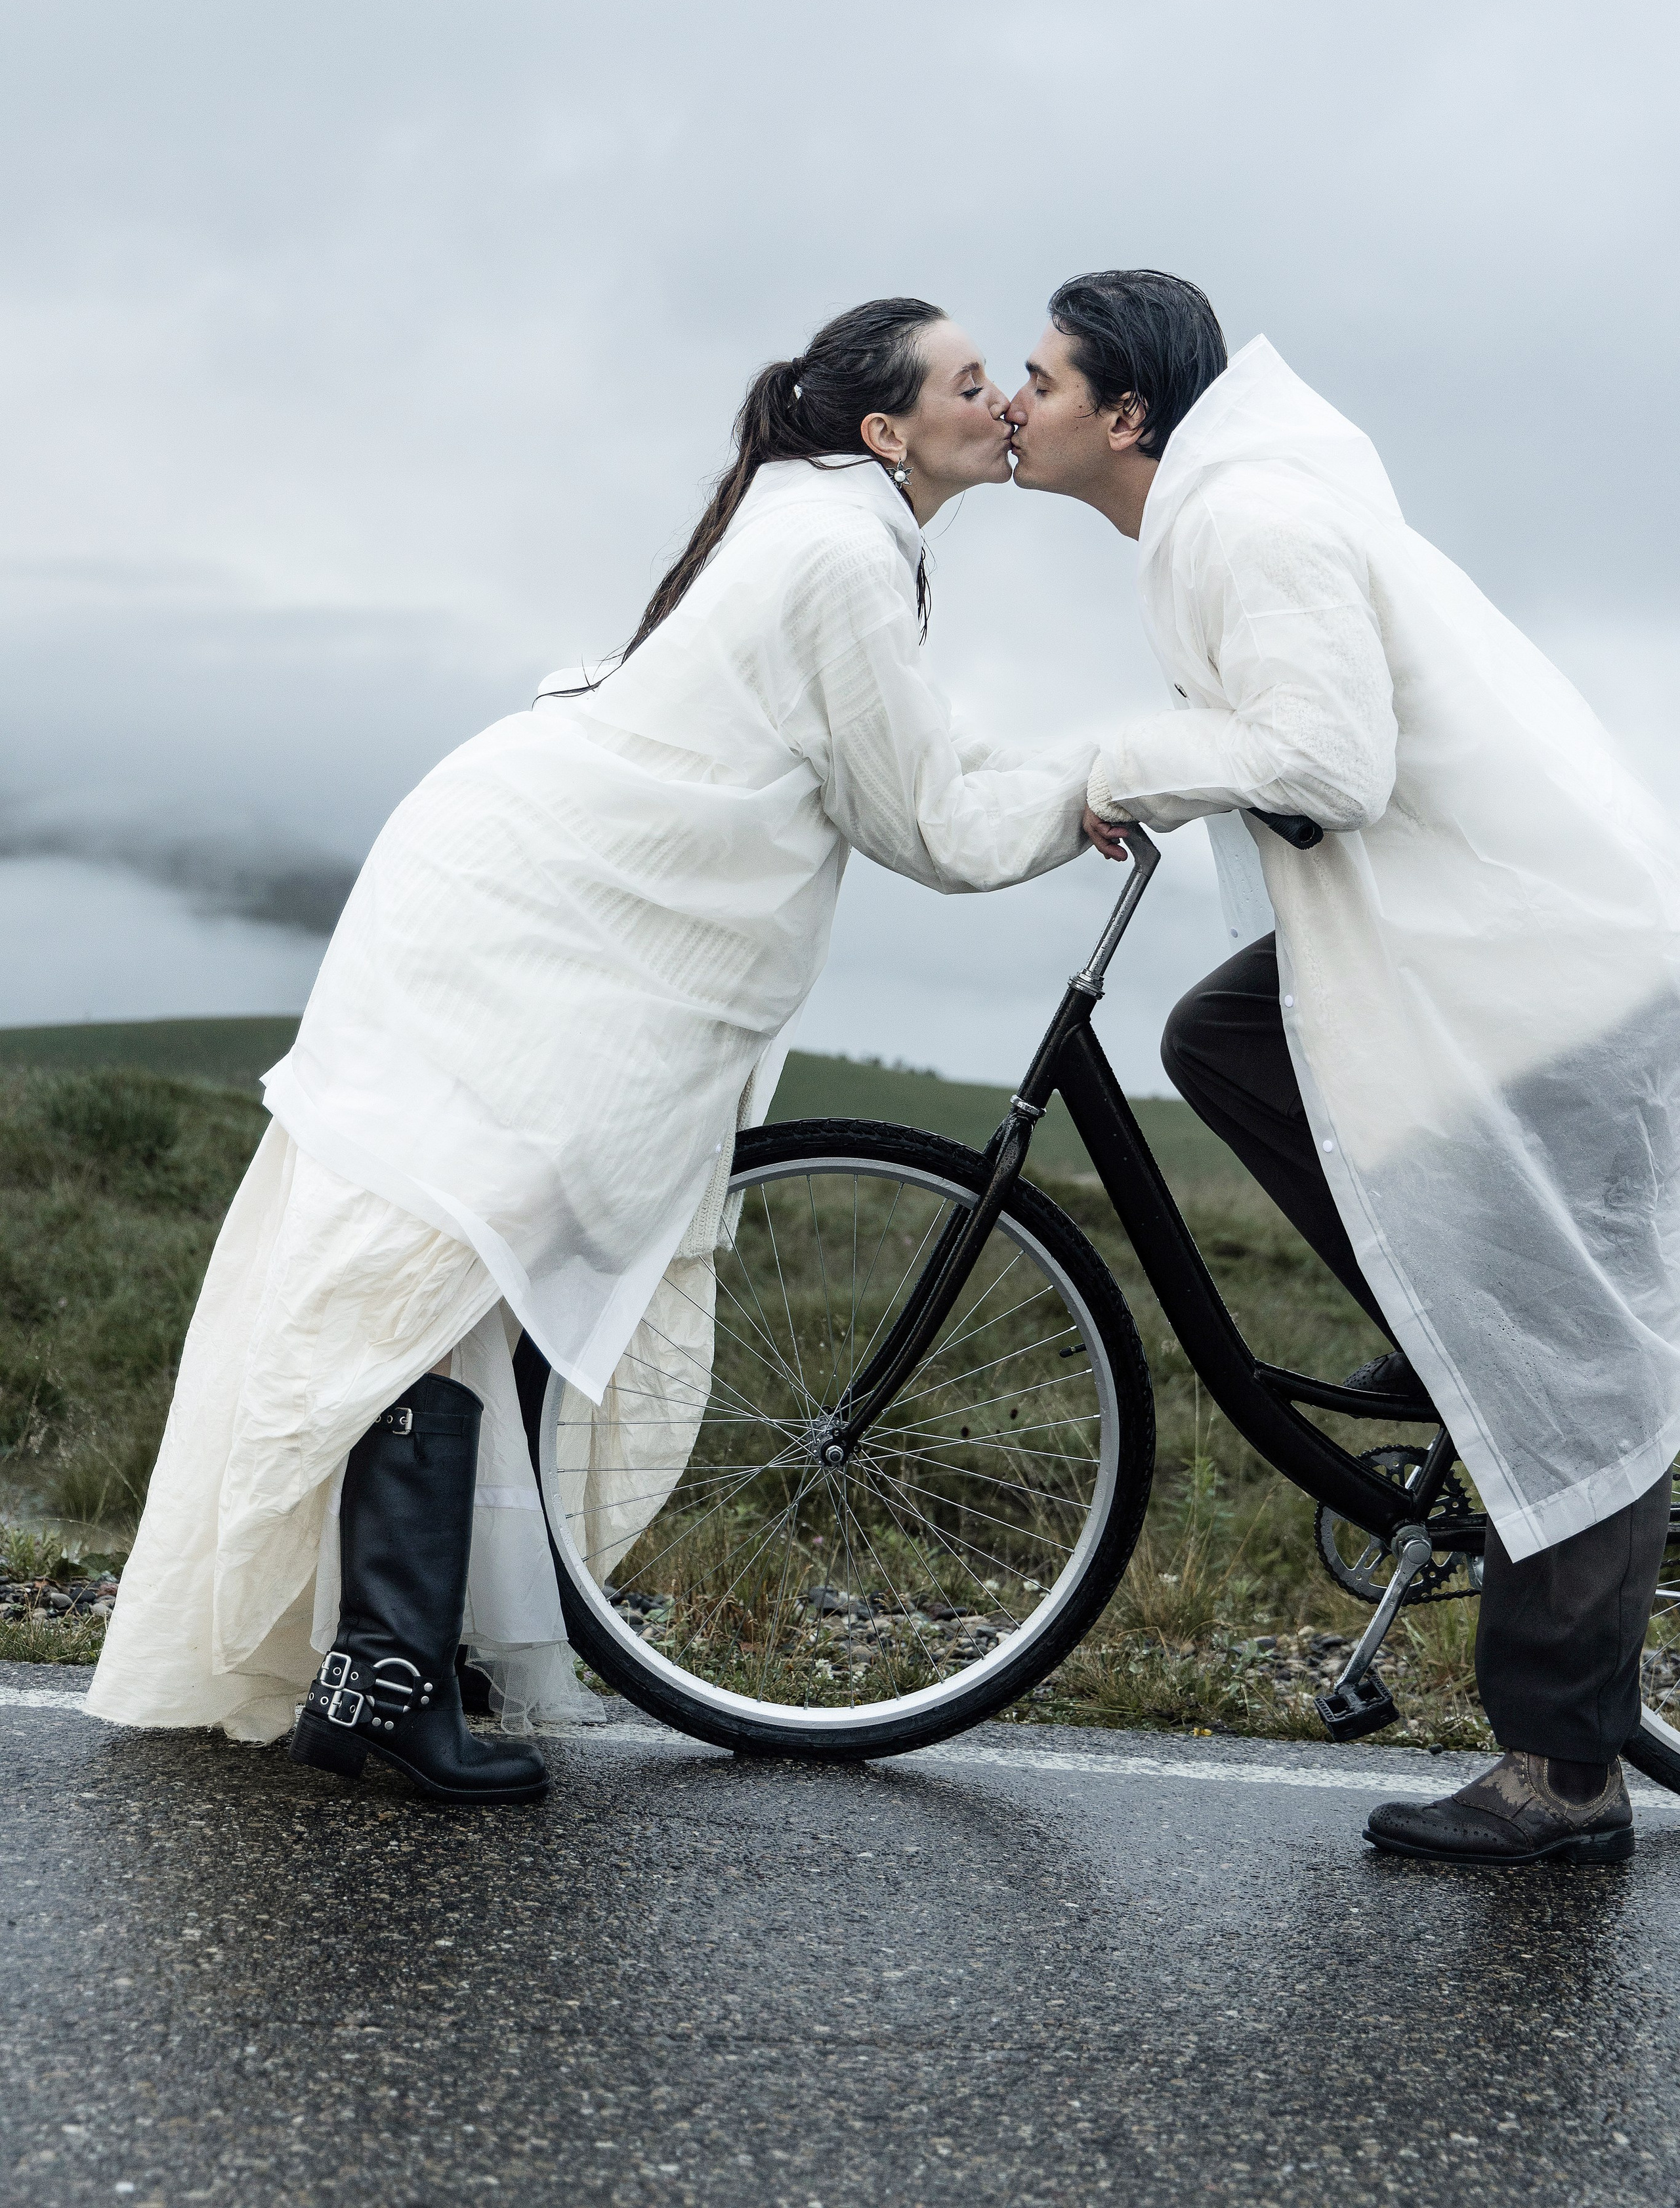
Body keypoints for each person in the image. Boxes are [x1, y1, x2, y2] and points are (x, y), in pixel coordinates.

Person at [89, 297, 1097, 1804]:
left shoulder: (828, 519)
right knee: (439, 1264)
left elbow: (906, 758)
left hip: (524, 899)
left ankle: (393, 1666)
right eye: (971, 382)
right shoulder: (842, 546)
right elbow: (929, 822)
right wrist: (1097, 794)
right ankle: (386, 1682)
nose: (1002, 400)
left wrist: (1077, 777)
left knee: (460, 1265)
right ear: (886, 430)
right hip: (535, 928)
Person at [1007, 269, 1680, 1866]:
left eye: (1038, 379)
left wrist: (1125, 764)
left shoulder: (1250, 519)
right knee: (1224, 1038)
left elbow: (1325, 756)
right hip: (1477, 937)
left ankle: (1562, 1777)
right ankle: (1441, 1336)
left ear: (1124, 413)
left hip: (1539, 962)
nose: (1013, 404)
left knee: (1549, 1343)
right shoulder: (1218, 516)